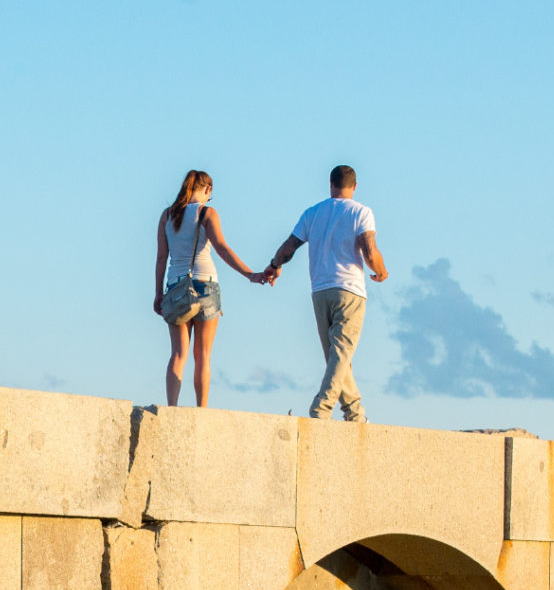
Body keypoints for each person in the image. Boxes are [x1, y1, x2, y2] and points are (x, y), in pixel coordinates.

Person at [264, 164, 388, 421]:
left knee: (336, 356)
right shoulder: (361, 212)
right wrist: (380, 270)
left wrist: (274, 265)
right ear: (354, 186)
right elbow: (369, 248)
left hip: (320, 291)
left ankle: (354, 413)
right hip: (350, 290)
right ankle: (321, 407)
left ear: (330, 184)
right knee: (341, 353)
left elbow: (289, 247)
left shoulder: (313, 213)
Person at [154, 170, 267, 407]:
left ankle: (171, 408)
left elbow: (161, 258)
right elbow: (222, 248)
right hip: (206, 286)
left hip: (176, 287)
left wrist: (158, 294)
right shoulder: (207, 213)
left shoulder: (167, 216)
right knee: (202, 355)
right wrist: (250, 274)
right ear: (207, 190)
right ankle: (202, 411)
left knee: (178, 354)